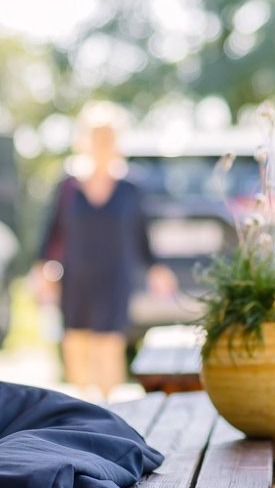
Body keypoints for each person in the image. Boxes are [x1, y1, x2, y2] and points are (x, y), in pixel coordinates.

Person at [34, 102, 176, 399]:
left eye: (108, 136)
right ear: (84, 138)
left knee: (109, 346)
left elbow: (142, 235)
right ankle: (80, 411)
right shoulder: (68, 185)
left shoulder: (130, 188)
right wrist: (42, 270)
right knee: (76, 345)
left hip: (115, 277)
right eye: (96, 135)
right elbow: (52, 232)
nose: (102, 142)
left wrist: (156, 268)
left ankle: (108, 410)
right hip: (76, 278)